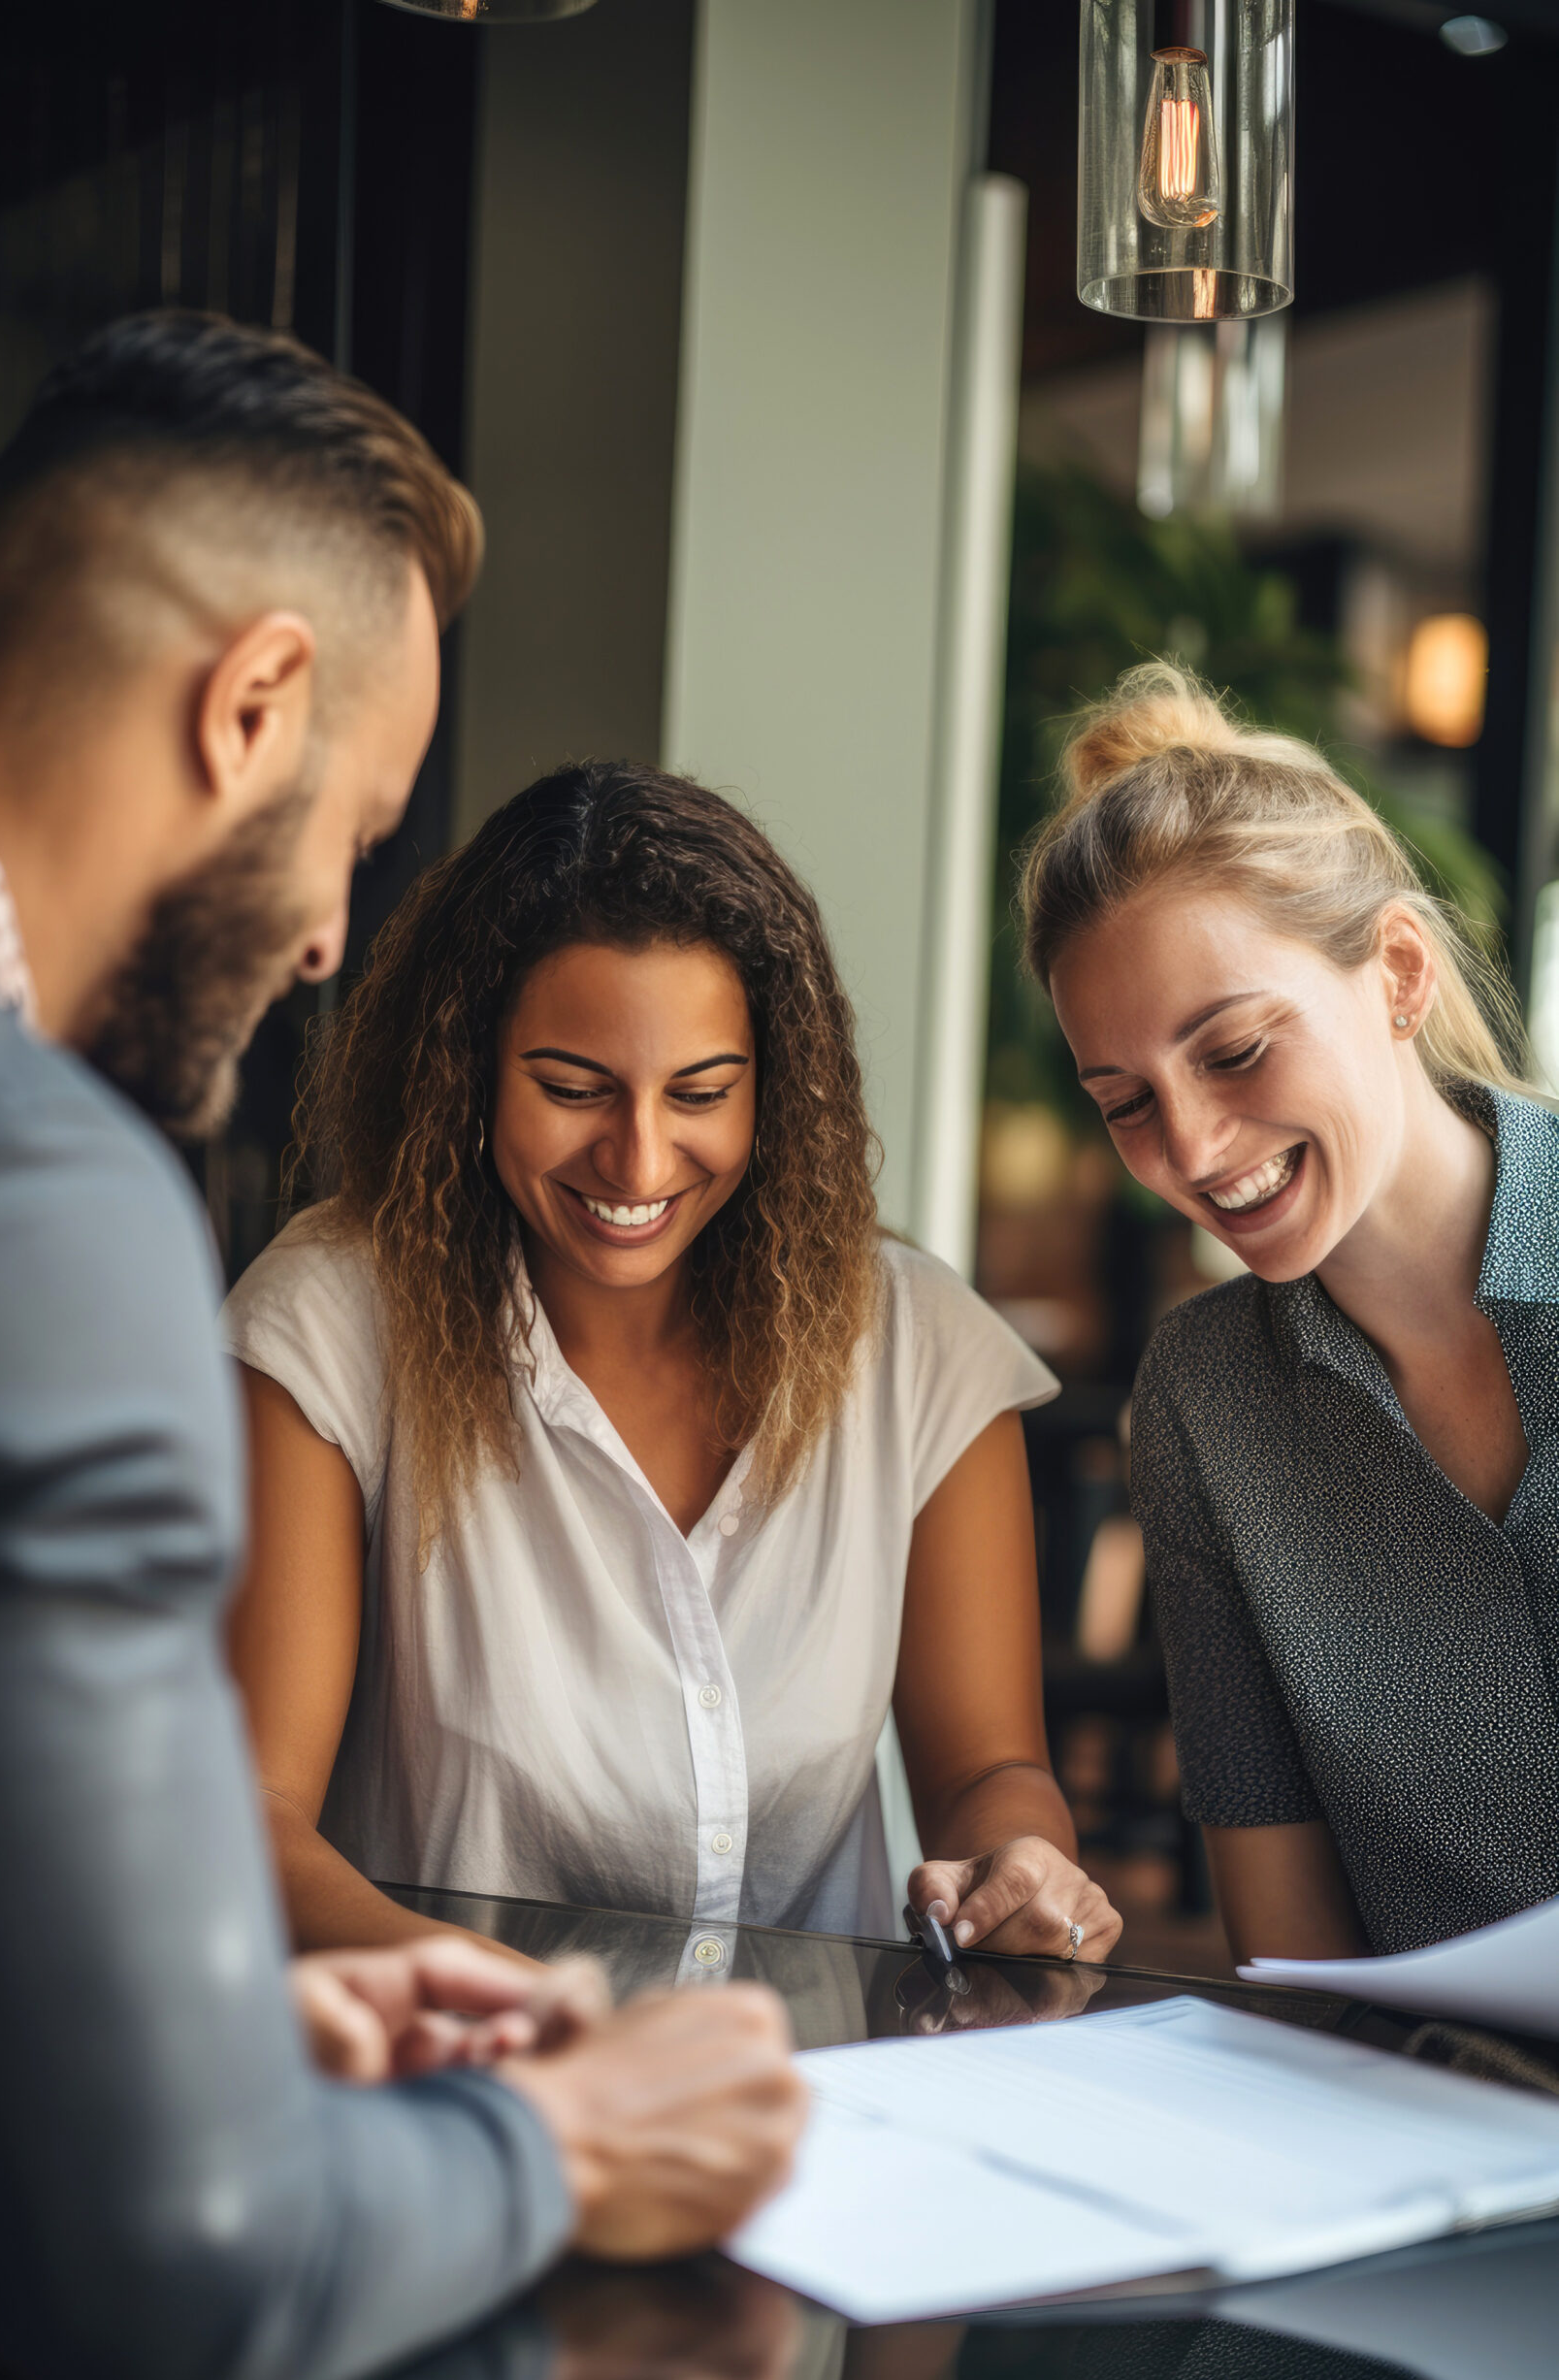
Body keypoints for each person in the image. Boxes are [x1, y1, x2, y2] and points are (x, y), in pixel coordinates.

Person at [0, 310, 804, 2380]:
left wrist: (187, 2010)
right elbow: (176, 2275)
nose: (328, 934)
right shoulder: (25, 1187)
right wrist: (564, 2141)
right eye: (358, 830)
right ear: (252, 703)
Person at [220, 764, 1122, 1966]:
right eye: (572, 1087)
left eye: (701, 1091)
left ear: (776, 1087)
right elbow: (245, 1820)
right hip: (469, 2094)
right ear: (469, 1068)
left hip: (819, 2108)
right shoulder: (334, 1328)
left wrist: (1020, 1859)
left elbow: (991, 1768)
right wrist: (491, 2000)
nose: (638, 1159)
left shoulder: (917, 1348)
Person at [1018, 662, 1559, 1966]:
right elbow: (1289, 1946)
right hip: (1419, 2127)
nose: (1192, 1151)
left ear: (1395, 973)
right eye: (1125, 1099)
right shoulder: (1205, 1399)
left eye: (1233, 1049)